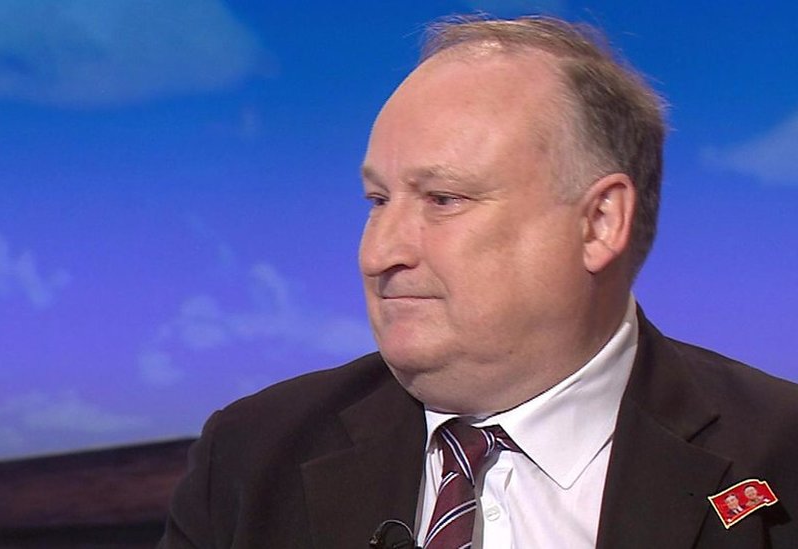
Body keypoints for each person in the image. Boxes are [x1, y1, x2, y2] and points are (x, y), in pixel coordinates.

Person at [159, 14, 798, 548]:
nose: (379, 253)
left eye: (443, 200)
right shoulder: (249, 459)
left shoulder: (779, 456)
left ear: (599, 223)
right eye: (378, 201)